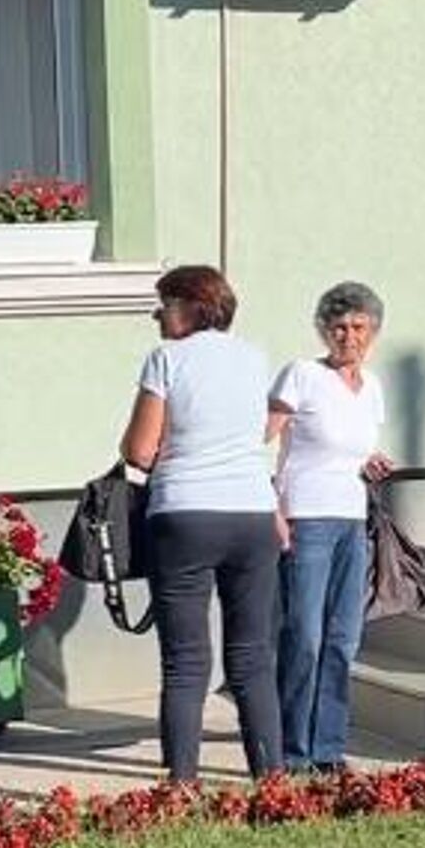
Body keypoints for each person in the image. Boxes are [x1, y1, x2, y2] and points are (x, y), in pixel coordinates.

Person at [120, 264, 283, 781]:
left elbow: (138, 450)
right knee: (253, 657)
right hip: (253, 512)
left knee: (186, 661)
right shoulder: (254, 357)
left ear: (193, 307)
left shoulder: (166, 359)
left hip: (186, 512)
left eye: (164, 305)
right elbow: (255, 431)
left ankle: (183, 786)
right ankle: (272, 782)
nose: (156, 316)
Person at [268, 281, 392, 773]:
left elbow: (353, 451)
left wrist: (372, 463)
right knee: (304, 636)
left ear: (373, 332)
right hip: (306, 517)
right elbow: (262, 441)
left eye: (359, 327)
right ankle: (291, 751)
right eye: (338, 327)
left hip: (352, 518)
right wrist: (272, 508)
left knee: (344, 639)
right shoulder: (301, 374)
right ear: (324, 331)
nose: (349, 337)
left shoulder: (372, 387)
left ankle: (328, 748)